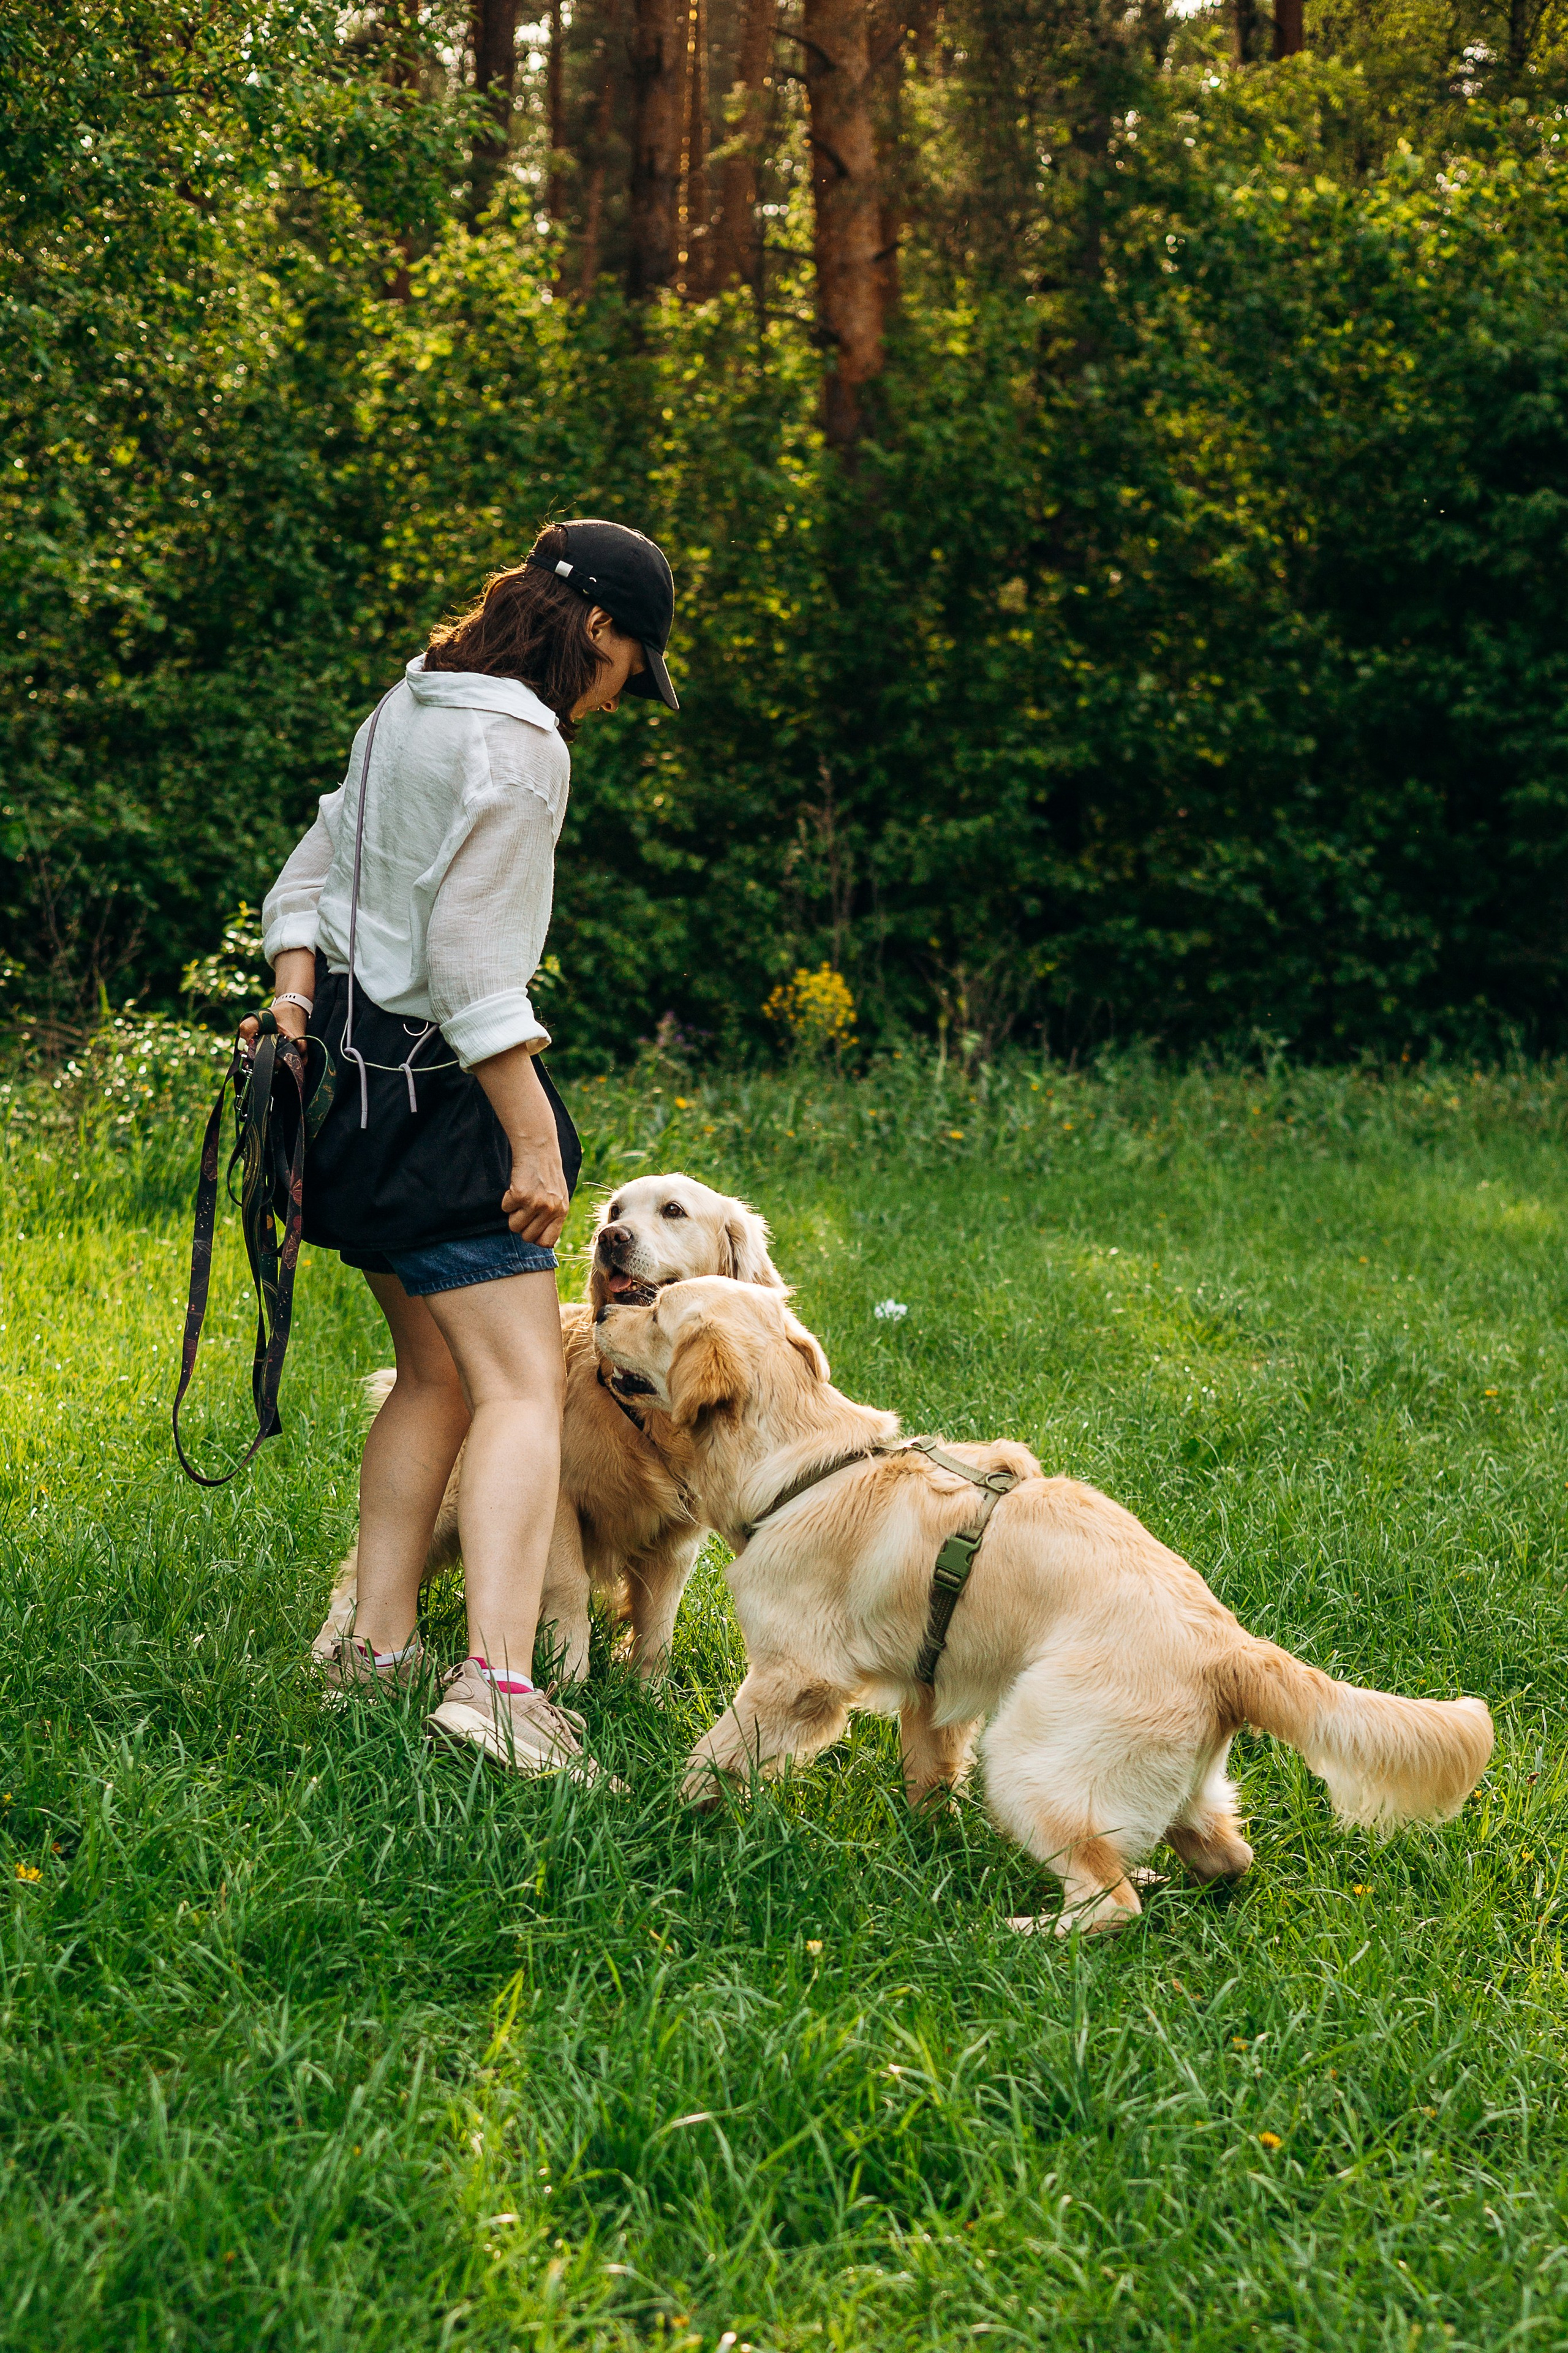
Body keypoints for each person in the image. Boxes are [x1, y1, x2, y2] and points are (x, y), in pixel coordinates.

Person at [252, 518, 679, 1781]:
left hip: (340, 1089)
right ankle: (497, 1684)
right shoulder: (521, 743)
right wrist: (534, 1138)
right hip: (440, 1104)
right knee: (515, 1388)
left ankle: (370, 1651)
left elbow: (307, 876)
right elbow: (474, 968)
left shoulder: (408, 706)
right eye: (629, 664)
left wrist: (290, 1000)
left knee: (432, 1373)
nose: (616, 695)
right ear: (595, 629)